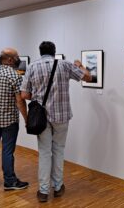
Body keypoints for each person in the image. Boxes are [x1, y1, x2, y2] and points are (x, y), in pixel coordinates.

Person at [20, 41, 91, 202]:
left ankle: (43, 191)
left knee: (45, 152)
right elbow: (88, 77)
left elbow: (24, 95)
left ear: (40, 52)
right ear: (54, 52)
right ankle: (58, 187)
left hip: (41, 117)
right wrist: (79, 65)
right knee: (59, 150)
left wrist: (37, 96)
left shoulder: (32, 67)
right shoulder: (64, 65)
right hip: (62, 116)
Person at [0, 48, 29, 191]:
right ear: (9, 60)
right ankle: (9, 181)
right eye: (16, 57)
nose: (18, 59)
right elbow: (19, 101)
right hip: (9, 120)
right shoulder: (14, 76)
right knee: (7, 151)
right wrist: (27, 119)